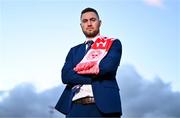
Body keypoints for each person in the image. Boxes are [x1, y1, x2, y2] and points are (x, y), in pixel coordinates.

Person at [55, 7, 122, 117]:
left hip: (104, 107)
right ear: (81, 25)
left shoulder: (112, 43)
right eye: (85, 21)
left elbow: (107, 68)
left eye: (93, 20)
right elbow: (66, 76)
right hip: (75, 108)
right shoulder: (74, 50)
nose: (89, 24)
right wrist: (95, 72)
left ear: (99, 23)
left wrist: (78, 73)